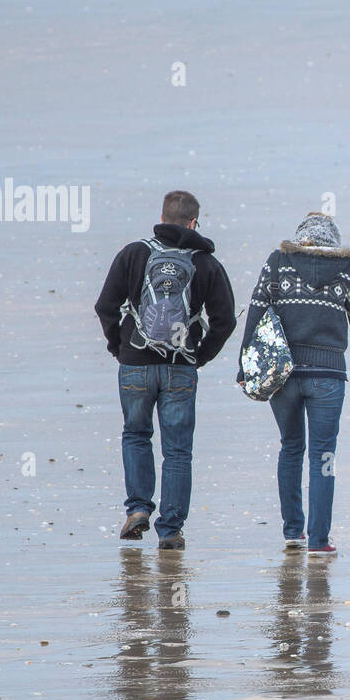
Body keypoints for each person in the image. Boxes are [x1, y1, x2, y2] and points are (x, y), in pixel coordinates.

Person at [95, 190, 237, 550]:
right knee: (177, 450)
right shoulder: (205, 263)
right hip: (180, 369)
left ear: (162, 217)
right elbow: (225, 320)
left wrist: (119, 346)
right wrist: (200, 355)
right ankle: (170, 529)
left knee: (136, 435)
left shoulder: (134, 254)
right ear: (193, 223)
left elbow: (105, 306)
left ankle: (138, 509)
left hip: (135, 364)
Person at [238, 213, 350, 556]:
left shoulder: (278, 262)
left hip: (282, 373)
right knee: (324, 456)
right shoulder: (346, 269)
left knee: (291, 448)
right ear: (332, 240)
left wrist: (245, 365)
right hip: (328, 376)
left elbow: (257, 310)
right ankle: (319, 541)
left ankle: (292, 532)